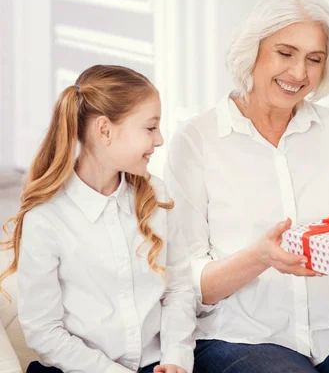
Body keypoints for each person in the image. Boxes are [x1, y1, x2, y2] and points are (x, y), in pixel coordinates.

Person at [164, 0, 329, 373]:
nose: (299, 73)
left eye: (314, 60)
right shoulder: (197, 140)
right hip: (242, 335)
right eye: (285, 53)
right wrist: (261, 257)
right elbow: (190, 285)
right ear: (253, 50)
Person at [0, 65, 196, 373]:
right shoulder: (47, 218)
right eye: (150, 128)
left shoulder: (156, 194)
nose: (159, 140)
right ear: (105, 130)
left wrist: (176, 359)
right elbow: (44, 332)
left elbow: (179, 290)